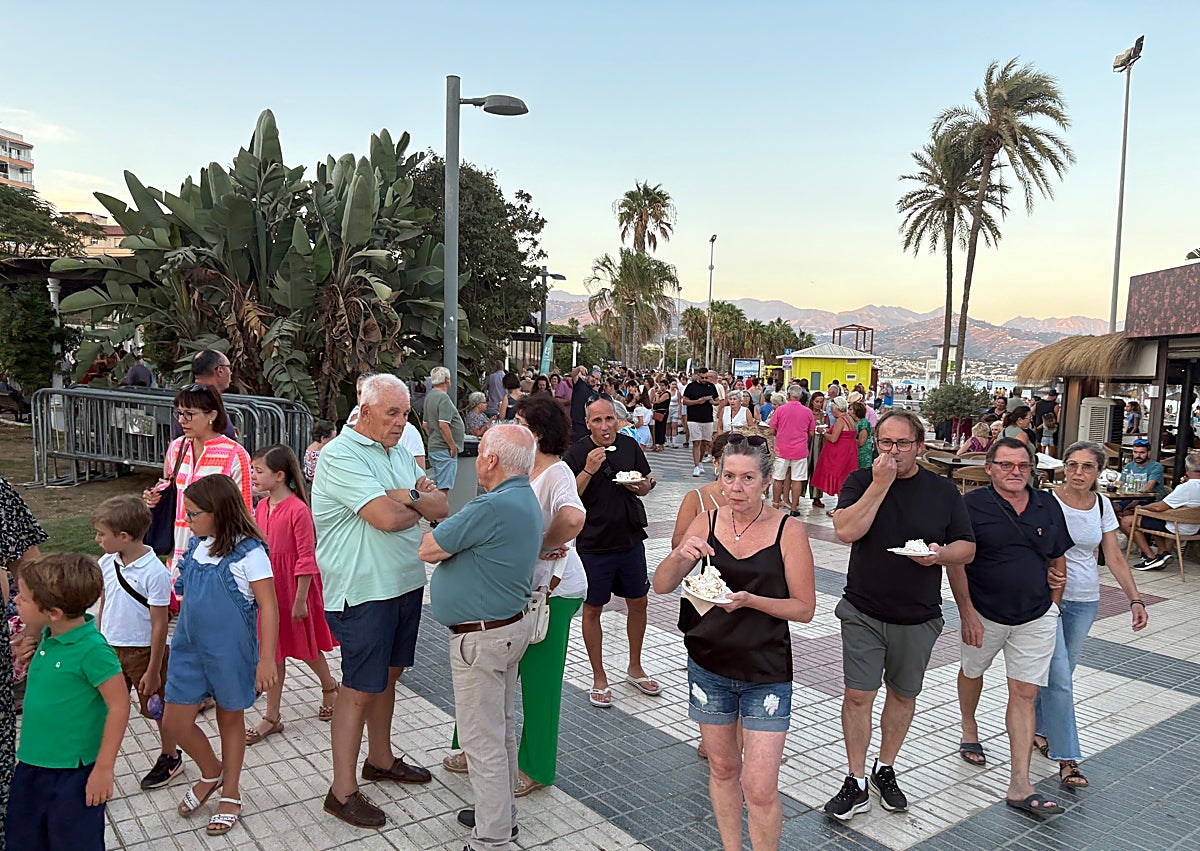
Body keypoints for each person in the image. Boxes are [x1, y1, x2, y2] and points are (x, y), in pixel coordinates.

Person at [653, 435, 817, 851]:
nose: (736, 487)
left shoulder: (788, 529)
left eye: (747, 478)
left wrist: (749, 601)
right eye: (729, 477)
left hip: (766, 672)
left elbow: (804, 608)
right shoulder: (706, 520)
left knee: (759, 787)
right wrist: (679, 555)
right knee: (724, 769)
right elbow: (661, 585)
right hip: (708, 666)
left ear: (766, 481)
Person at [823, 410, 976, 821]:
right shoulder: (861, 481)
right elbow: (846, 531)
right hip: (862, 609)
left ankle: (885, 768)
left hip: (918, 614)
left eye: (902, 444)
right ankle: (854, 780)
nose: (893, 452)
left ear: (920, 446)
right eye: (885, 443)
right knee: (858, 694)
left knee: (904, 695)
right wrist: (879, 484)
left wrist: (940, 555)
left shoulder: (942, 492)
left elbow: (967, 547)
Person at [312, 374, 447, 828]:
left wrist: (405, 497)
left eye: (405, 413)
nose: (401, 422)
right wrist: (414, 499)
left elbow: (442, 505)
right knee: (358, 687)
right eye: (392, 413)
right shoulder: (339, 456)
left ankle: (381, 759)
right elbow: (389, 518)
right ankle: (341, 791)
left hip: (404, 583)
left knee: (388, 676)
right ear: (363, 411)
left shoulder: (397, 453)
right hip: (363, 590)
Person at [419, 425, 542, 851]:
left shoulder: (490, 506)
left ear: (490, 460)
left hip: (482, 638)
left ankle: (491, 837)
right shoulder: (523, 497)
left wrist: (420, 505)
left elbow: (430, 548)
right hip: (506, 630)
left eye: (481, 453)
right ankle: (500, 814)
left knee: (481, 740)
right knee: (500, 729)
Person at [949, 437, 1071, 816]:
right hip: (983, 612)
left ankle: (1020, 783)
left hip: (1035, 615)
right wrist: (966, 612)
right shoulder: (971, 506)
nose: (1014, 471)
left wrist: (1054, 606)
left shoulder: (1046, 504)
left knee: (1024, 693)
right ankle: (969, 728)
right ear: (989, 468)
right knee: (973, 670)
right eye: (1005, 465)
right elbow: (956, 562)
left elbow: (1057, 556)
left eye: (1021, 465)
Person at [164, 475, 279, 835]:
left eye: (194, 513)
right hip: (188, 649)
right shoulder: (198, 546)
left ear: (219, 513)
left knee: (230, 720)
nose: (188, 519)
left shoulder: (250, 553)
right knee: (175, 721)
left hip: (231, 654)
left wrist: (266, 660)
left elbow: (269, 607)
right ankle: (211, 771)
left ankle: (230, 792)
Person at [1034, 442, 1148, 789]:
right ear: (1063, 467)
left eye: (1087, 467)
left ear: (1099, 472)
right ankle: (1068, 759)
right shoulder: (1046, 500)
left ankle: (1039, 731)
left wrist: (1135, 599)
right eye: (1072, 465)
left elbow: (1113, 555)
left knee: (1060, 674)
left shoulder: (1102, 505)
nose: (1078, 473)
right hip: (1047, 601)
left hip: (1085, 600)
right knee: (1061, 680)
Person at [5, 553, 128, 851]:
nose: (15, 600)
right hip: (32, 764)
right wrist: (29, 639)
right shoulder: (48, 634)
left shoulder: (93, 651)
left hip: (74, 775)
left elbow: (119, 705)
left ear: (54, 612)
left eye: (22, 597)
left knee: (74, 842)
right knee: (22, 839)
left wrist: (104, 769)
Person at [562, 398, 659, 709]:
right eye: (598, 421)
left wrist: (641, 487)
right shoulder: (577, 453)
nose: (605, 426)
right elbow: (569, 495)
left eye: (610, 420)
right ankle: (599, 676)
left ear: (618, 420)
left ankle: (635, 667)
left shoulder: (630, 447)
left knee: (639, 602)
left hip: (630, 539)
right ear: (588, 423)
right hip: (593, 543)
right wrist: (589, 469)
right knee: (592, 610)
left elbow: (646, 483)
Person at [245, 446, 339, 745]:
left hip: (296, 588)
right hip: (268, 588)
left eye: (258, 471)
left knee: (306, 646)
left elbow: (306, 558)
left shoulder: (299, 510)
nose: (253, 476)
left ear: (280, 475)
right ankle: (272, 717)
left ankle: (329, 686)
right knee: (274, 650)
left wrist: (300, 599)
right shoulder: (261, 508)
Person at [92, 495, 182, 790]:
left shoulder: (154, 572)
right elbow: (105, 602)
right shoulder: (108, 562)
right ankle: (98, 762)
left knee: (156, 708)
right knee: (105, 707)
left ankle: (170, 755)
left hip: (144, 652)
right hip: (110, 649)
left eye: (102, 534)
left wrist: (154, 669)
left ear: (124, 537)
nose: (97, 539)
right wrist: (99, 637)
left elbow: (159, 622)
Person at [145, 384, 252, 570]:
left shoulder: (235, 454)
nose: (181, 420)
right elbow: (172, 488)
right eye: (179, 413)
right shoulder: (177, 447)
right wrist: (155, 497)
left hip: (216, 549)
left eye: (189, 414)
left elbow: (244, 510)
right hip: (177, 546)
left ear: (212, 415)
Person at [670, 432, 731, 759]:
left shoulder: (751, 497)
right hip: (705, 595)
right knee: (706, 664)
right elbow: (677, 543)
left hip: (741, 595)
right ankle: (710, 731)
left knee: (738, 664)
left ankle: (731, 734)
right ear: (716, 461)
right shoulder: (697, 497)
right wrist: (702, 537)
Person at [1120, 452, 1200, 570]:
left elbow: (1159, 507)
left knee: (1127, 521)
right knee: (1152, 517)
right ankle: (1163, 553)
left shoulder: (1186, 488)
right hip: (1195, 528)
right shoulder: (1189, 485)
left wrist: (1141, 508)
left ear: (1186, 468)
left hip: (1177, 527)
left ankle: (1150, 557)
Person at [770, 386, 816, 515]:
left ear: (788, 395)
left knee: (778, 478)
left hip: (781, 449)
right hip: (800, 450)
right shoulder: (807, 412)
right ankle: (794, 507)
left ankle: (775, 505)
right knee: (797, 479)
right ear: (800, 396)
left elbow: (772, 430)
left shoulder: (780, 410)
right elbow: (812, 433)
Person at [171, 349, 236, 440]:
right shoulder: (203, 400)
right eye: (229, 367)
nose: (181, 420)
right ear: (220, 370)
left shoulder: (187, 398)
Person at [811, 396, 859, 515]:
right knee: (845, 478)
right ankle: (843, 506)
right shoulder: (850, 419)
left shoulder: (841, 421)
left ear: (836, 408)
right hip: (850, 452)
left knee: (839, 479)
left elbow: (833, 439)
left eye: (832, 408)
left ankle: (840, 508)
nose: (831, 411)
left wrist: (824, 433)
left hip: (840, 454)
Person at [425, 366, 466, 496]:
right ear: (447, 380)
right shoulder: (443, 398)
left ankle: (436, 515)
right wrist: (452, 445)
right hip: (444, 449)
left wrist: (433, 436)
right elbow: (443, 425)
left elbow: (425, 424)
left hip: (434, 446)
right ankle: (441, 516)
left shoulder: (430, 396)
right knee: (443, 489)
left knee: (436, 484)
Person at [1112, 437, 1165, 516]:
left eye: (1142, 453)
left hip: (1150, 501)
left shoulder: (1156, 467)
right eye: (1135, 452)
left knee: (1126, 513)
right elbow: (1120, 484)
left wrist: (1133, 502)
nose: (1138, 455)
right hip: (1129, 499)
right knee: (1108, 507)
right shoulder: (1129, 466)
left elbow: (1148, 488)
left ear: (1149, 453)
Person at [683, 369, 718, 477]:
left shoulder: (711, 387)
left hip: (707, 418)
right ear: (698, 376)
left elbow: (718, 400)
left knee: (705, 442)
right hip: (693, 418)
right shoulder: (691, 386)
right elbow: (685, 401)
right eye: (702, 377)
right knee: (696, 442)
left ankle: (700, 461)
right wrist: (697, 401)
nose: (704, 380)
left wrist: (713, 402)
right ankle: (696, 466)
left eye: (706, 378)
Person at [567, 365, 597, 443]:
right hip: (578, 424)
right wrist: (578, 368)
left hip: (590, 426)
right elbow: (573, 375)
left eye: (596, 379)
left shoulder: (596, 394)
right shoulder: (579, 384)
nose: (594, 379)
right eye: (592, 377)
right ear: (588, 376)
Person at [651, 378, 671, 452]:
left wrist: (656, 394)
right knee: (657, 428)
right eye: (660, 385)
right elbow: (654, 401)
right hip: (657, 412)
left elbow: (658, 401)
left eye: (663, 385)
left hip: (662, 413)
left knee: (661, 428)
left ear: (666, 386)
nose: (661, 387)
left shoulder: (666, 394)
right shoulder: (660, 393)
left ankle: (661, 444)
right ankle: (658, 443)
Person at [852, 401, 873, 469]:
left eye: (850, 410)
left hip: (863, 454)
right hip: (855, 453)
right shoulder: (854, 422)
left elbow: (861, 442)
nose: (848, 412)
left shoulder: (864, 423)